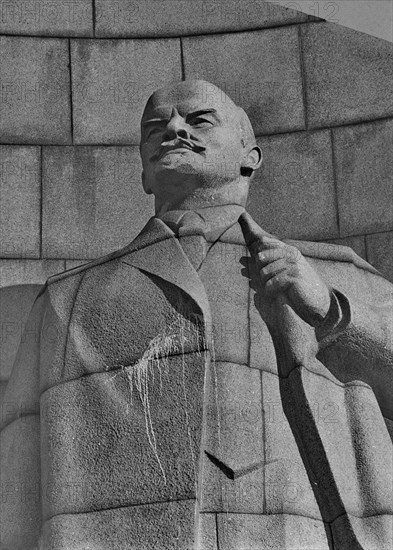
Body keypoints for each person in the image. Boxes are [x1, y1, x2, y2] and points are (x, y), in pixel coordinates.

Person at [1, 80, 392, 550]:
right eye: (154, 127)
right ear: (145, 172)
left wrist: (330, 309)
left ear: (250, 156)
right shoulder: (68, 298)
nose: (173, 130)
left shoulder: (332, 272)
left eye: (199, 119)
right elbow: (18, 472)